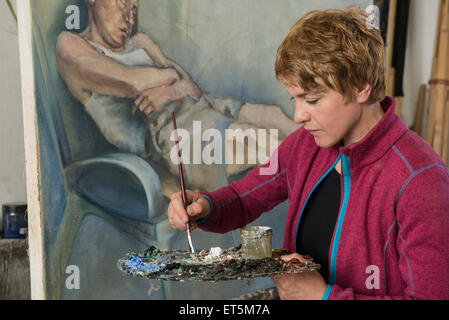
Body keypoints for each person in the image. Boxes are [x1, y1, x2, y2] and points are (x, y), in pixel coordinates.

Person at [167, 7, 449, 300]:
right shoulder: (304, 145)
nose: (298, 115)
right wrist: (206, 207)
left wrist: (324, 297)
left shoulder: (421, 181)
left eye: (312, 99)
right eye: (295, 98)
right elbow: (244, 198)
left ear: (362, 87)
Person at [56, 0, 299, 191]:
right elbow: (132, 82)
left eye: (134, 9)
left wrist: (169, 90)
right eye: (123, 3)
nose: (129, 18)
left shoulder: (139, 42)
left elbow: (192, 88)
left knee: (273, 115)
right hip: (172, 137)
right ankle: (333, 180)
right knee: (263, 142)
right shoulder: (71, 45)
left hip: (200, 107)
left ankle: (334, 166)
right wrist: (171, 77)